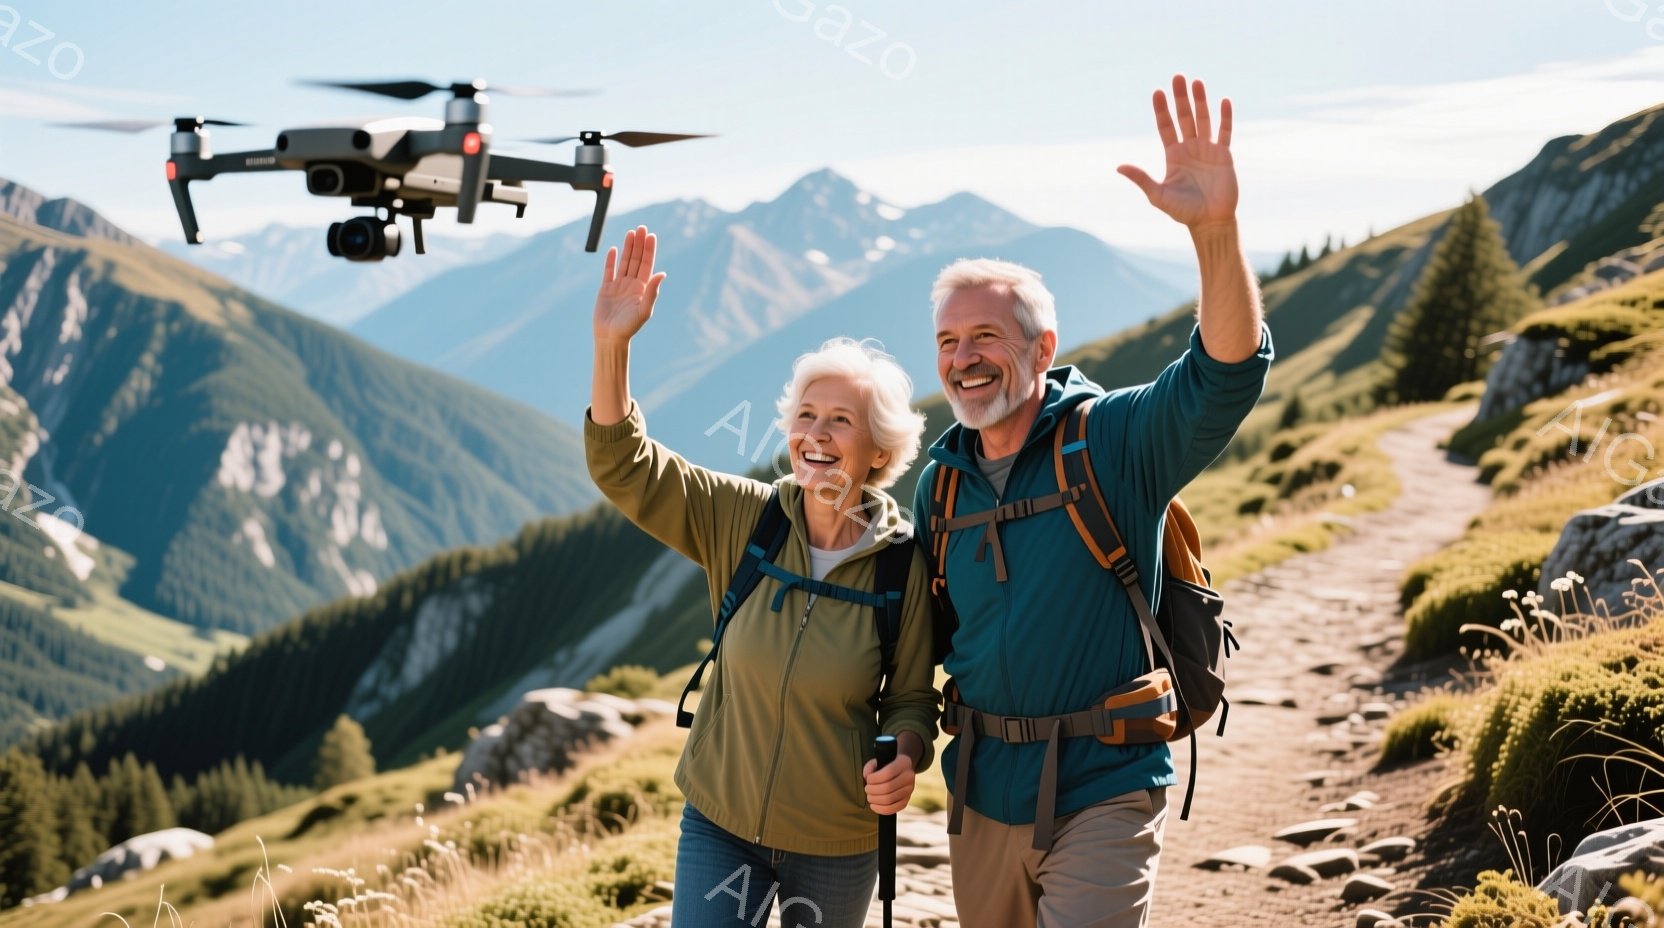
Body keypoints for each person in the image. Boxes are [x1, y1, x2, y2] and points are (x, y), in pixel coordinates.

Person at [913, 75, 1273, 927]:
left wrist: (1215, 234)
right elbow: (919, 633)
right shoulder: (942, 482)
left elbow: (1224, 378)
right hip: (979, 794)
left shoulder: (1110, 440)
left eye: (987, 338)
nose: (964, 359)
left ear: (1042, 347)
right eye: (948, 341)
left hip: (1107, 787)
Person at [585, 224, 939, 928]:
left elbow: (909, 700)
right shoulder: (746, 518)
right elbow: (624, 466)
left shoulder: (902, 564)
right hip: (720, 821)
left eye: (841, 420)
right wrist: (612, 345)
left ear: (878, 452)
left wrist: (905, 755)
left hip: (837, 842)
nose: (816, 434)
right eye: (806, 415)